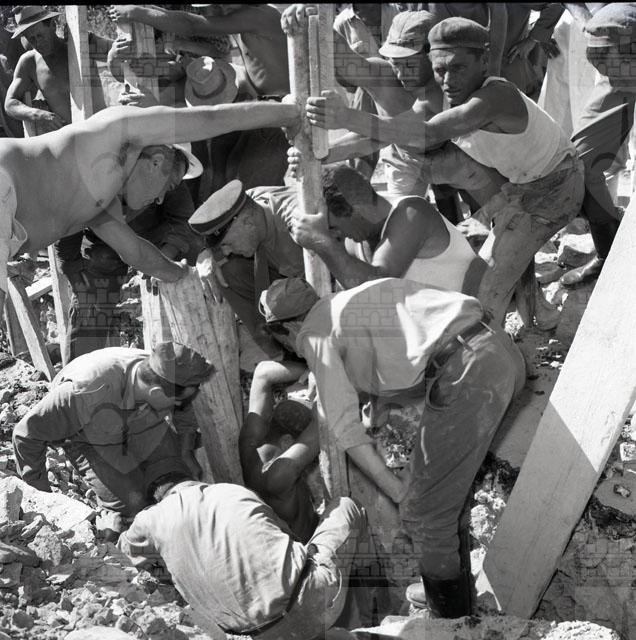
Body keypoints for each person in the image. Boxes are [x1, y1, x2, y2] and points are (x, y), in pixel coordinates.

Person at [258, 276, 525, 617]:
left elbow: (344, 429)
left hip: (468, 374)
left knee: (424, 513)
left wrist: (397, 491)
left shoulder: (313, 334)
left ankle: (452, 619)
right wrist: (376, 407)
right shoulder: (347, 303)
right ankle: (445, 580)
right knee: (440, 491)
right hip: (496, 347)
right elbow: (393, 356)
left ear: (287, 328)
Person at [305, 17, 585, 325]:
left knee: (486, 291)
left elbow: (427, 133)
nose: (449, 79)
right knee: (486, 272)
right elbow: (388, 134)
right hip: (519, 187)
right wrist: (324, 153)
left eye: (458, 68)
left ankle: (502, 339)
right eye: (440, 70)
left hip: (554, 187)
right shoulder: (436, 95)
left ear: (484, 61)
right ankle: (531, 317)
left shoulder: (494, 97)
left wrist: (345, 117)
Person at [0, 98, 299, 318]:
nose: (159, 200)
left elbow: (137, 253)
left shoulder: (99, 201)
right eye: (168, 187)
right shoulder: (116, 130)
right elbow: (210, 119)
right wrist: (288, 113)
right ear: (157, 161)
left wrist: (186, 274)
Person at [118, 474, 369, 639]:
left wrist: (167, 570)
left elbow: (124, 552)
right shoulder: (231, 491)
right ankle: (369, 618)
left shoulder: (150, 520)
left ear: (158, 500)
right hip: (311, 604)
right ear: (194, 481)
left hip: (254, 635)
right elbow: (287, 539)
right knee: (346, 506)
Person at [12, 342, 213, 536]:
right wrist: (43, 500)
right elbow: (25, 434)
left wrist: (186, 451)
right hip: (89, 437)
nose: (181, 405)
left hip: (144, 423)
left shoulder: (167, 374)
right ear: (155, 392)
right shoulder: (85, 392)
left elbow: (185, 407)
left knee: (175, 483)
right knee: (133, 507)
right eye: (177, 402)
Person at [283, 162, 487, 295]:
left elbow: (379, 287)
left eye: (331, 227)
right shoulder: (353, 244)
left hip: (468, 334)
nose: (334, 235)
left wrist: (322, 242)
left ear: (358, 208)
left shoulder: (412, 213)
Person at [55, 179, 203, 362]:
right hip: (102, 244)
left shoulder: (171, 174)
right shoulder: (97, 178)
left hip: (153, 238)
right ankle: (78, 373)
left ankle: (196, 345)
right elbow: (68, 228)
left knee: (193, 250)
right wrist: (76, 277)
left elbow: (183, 220)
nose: (159, 197)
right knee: (90, 302)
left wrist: (164, 258)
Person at [559, 3, 636, 287]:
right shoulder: (611, 59)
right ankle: (609, 251)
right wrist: (591, 24)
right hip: (619, 57)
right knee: (579, 163)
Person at [108, 4, 289, 98]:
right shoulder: (244, 15)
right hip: (266, 99)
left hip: (280, 99)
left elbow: (192, 25)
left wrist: (136, 13)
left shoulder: (257, 15)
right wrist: (144, 10)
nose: (221, 8)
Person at [239, 358, 319, 543]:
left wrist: (308, 373)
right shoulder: (280, 475)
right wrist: (325, 377)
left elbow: (263, 373)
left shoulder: (248, 445)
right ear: (287, 442)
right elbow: (323, 422)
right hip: (305, 548)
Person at [5, 6, 111, 134]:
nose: (38, 43)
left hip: (103, 132)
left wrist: (92, 40)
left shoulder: (79, 46)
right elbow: (9, 103)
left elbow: (121, 55)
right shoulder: (29, 63)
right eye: (31, 39)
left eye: (40, 35)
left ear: (53, 25)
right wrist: (37, 114)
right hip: (69, 139)